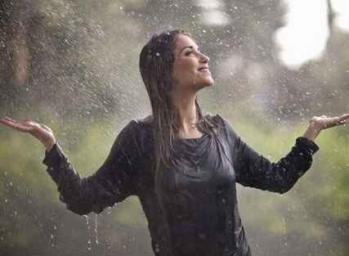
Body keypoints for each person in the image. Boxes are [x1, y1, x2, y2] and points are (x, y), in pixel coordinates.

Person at [1, 30, 348, 256]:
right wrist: (51, 147)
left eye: (200, 51)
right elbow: (83, 199)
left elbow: (277, 179)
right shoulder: (139, 140)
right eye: (189, 53)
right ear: (165, 69)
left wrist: (310, 134)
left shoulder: (221, 132)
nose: (203, 57)